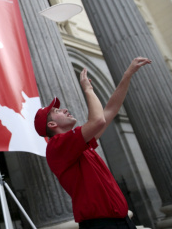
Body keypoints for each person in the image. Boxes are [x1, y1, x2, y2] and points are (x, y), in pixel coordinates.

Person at [34, 57, 151, 228]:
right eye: (58, 111)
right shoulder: (57, 145)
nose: (65, 109)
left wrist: (127, 75)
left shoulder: (77, 144)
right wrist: (88, 89)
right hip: (100, 225)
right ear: (52, 125)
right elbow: (98, 121)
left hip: (121, 222)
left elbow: (110, 110)